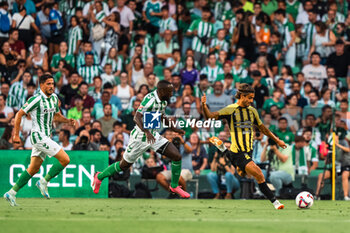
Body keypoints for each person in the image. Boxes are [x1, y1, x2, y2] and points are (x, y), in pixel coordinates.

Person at [92, 80, 190, 198]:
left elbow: (162, 115)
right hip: (140, 137)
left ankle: (174, 186)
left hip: (153, 135)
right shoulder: (150, 100)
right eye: (169, 91)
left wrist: (174, 129)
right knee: (124, 165)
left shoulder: (163, 101)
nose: (171, 94)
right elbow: (137, 117)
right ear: (162, 91)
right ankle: (99, 176)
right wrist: (146, 132)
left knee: (176, 156)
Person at [201, 83, 287, 209]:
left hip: (249, 150)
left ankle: (223, 149)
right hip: (238, 151)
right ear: (242, 96)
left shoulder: (252, 111)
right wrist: (203, 105)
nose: (251, 101)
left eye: (253, 98)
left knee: (242, 174)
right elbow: (209, 116)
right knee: (259, 174)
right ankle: (275, 202)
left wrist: (277, 140)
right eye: (249, 98)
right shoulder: (230, 109)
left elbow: (262, 128)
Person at [3, 74, 75, 206]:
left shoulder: (54, 98)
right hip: (38, 136)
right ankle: (44, 181)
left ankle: (11, 193)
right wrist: (16, 135)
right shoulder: (35, 99)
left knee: (33, 168)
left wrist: (67, 121)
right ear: (41, 85)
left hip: (46, 136)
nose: (51, 86)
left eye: (52, 84)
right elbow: (19, 114)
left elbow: (56, 116)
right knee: (65, 159)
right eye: (48, 84)